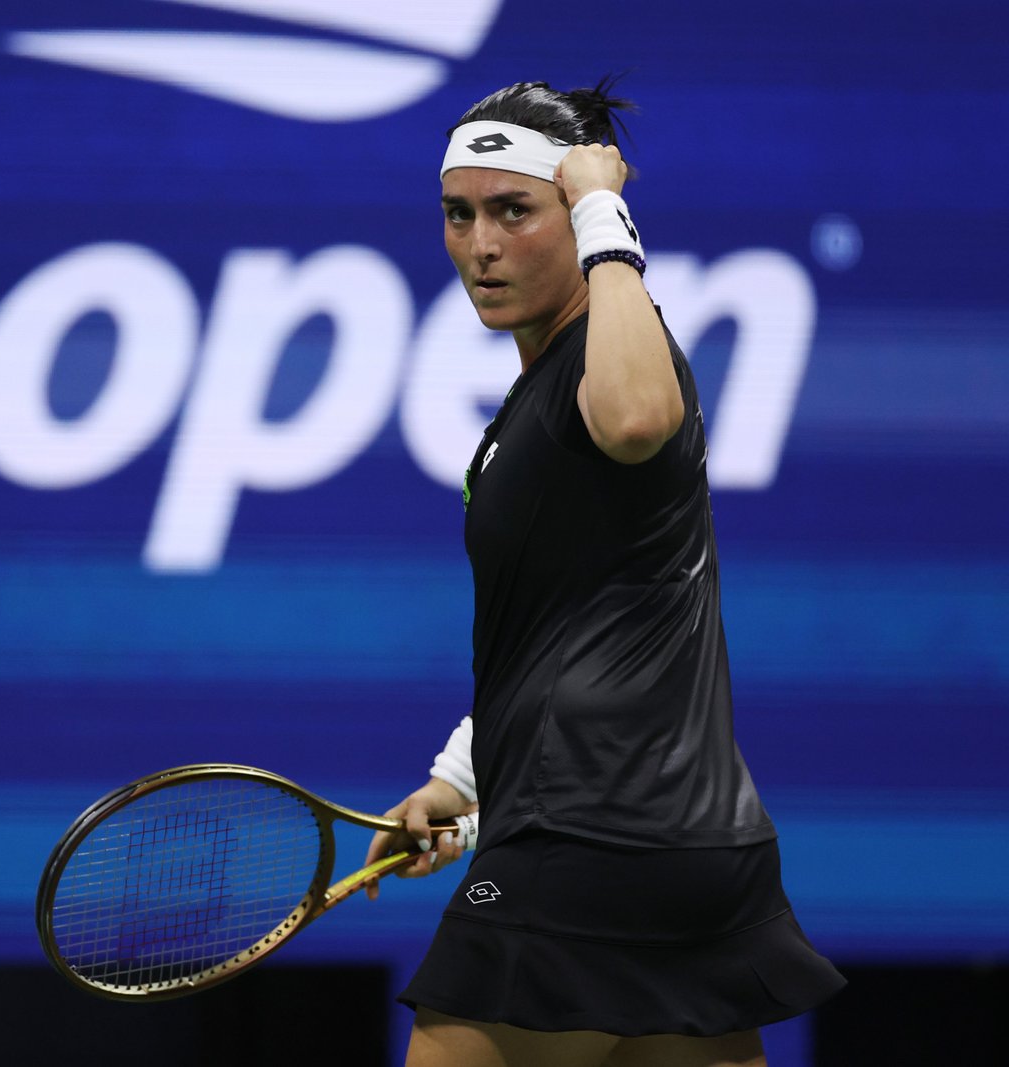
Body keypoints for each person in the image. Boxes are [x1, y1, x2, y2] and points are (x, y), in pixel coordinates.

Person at [362, 79, 845, 1067]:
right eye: (459, 214)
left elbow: (631, 419)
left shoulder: (618, 353)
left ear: (579, 215)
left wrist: (602, 217)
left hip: (586, 845)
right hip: (689, 847)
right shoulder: (540, 390)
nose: (481, 245)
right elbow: (560, 620)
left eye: (514, 211)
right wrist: (462, 778)